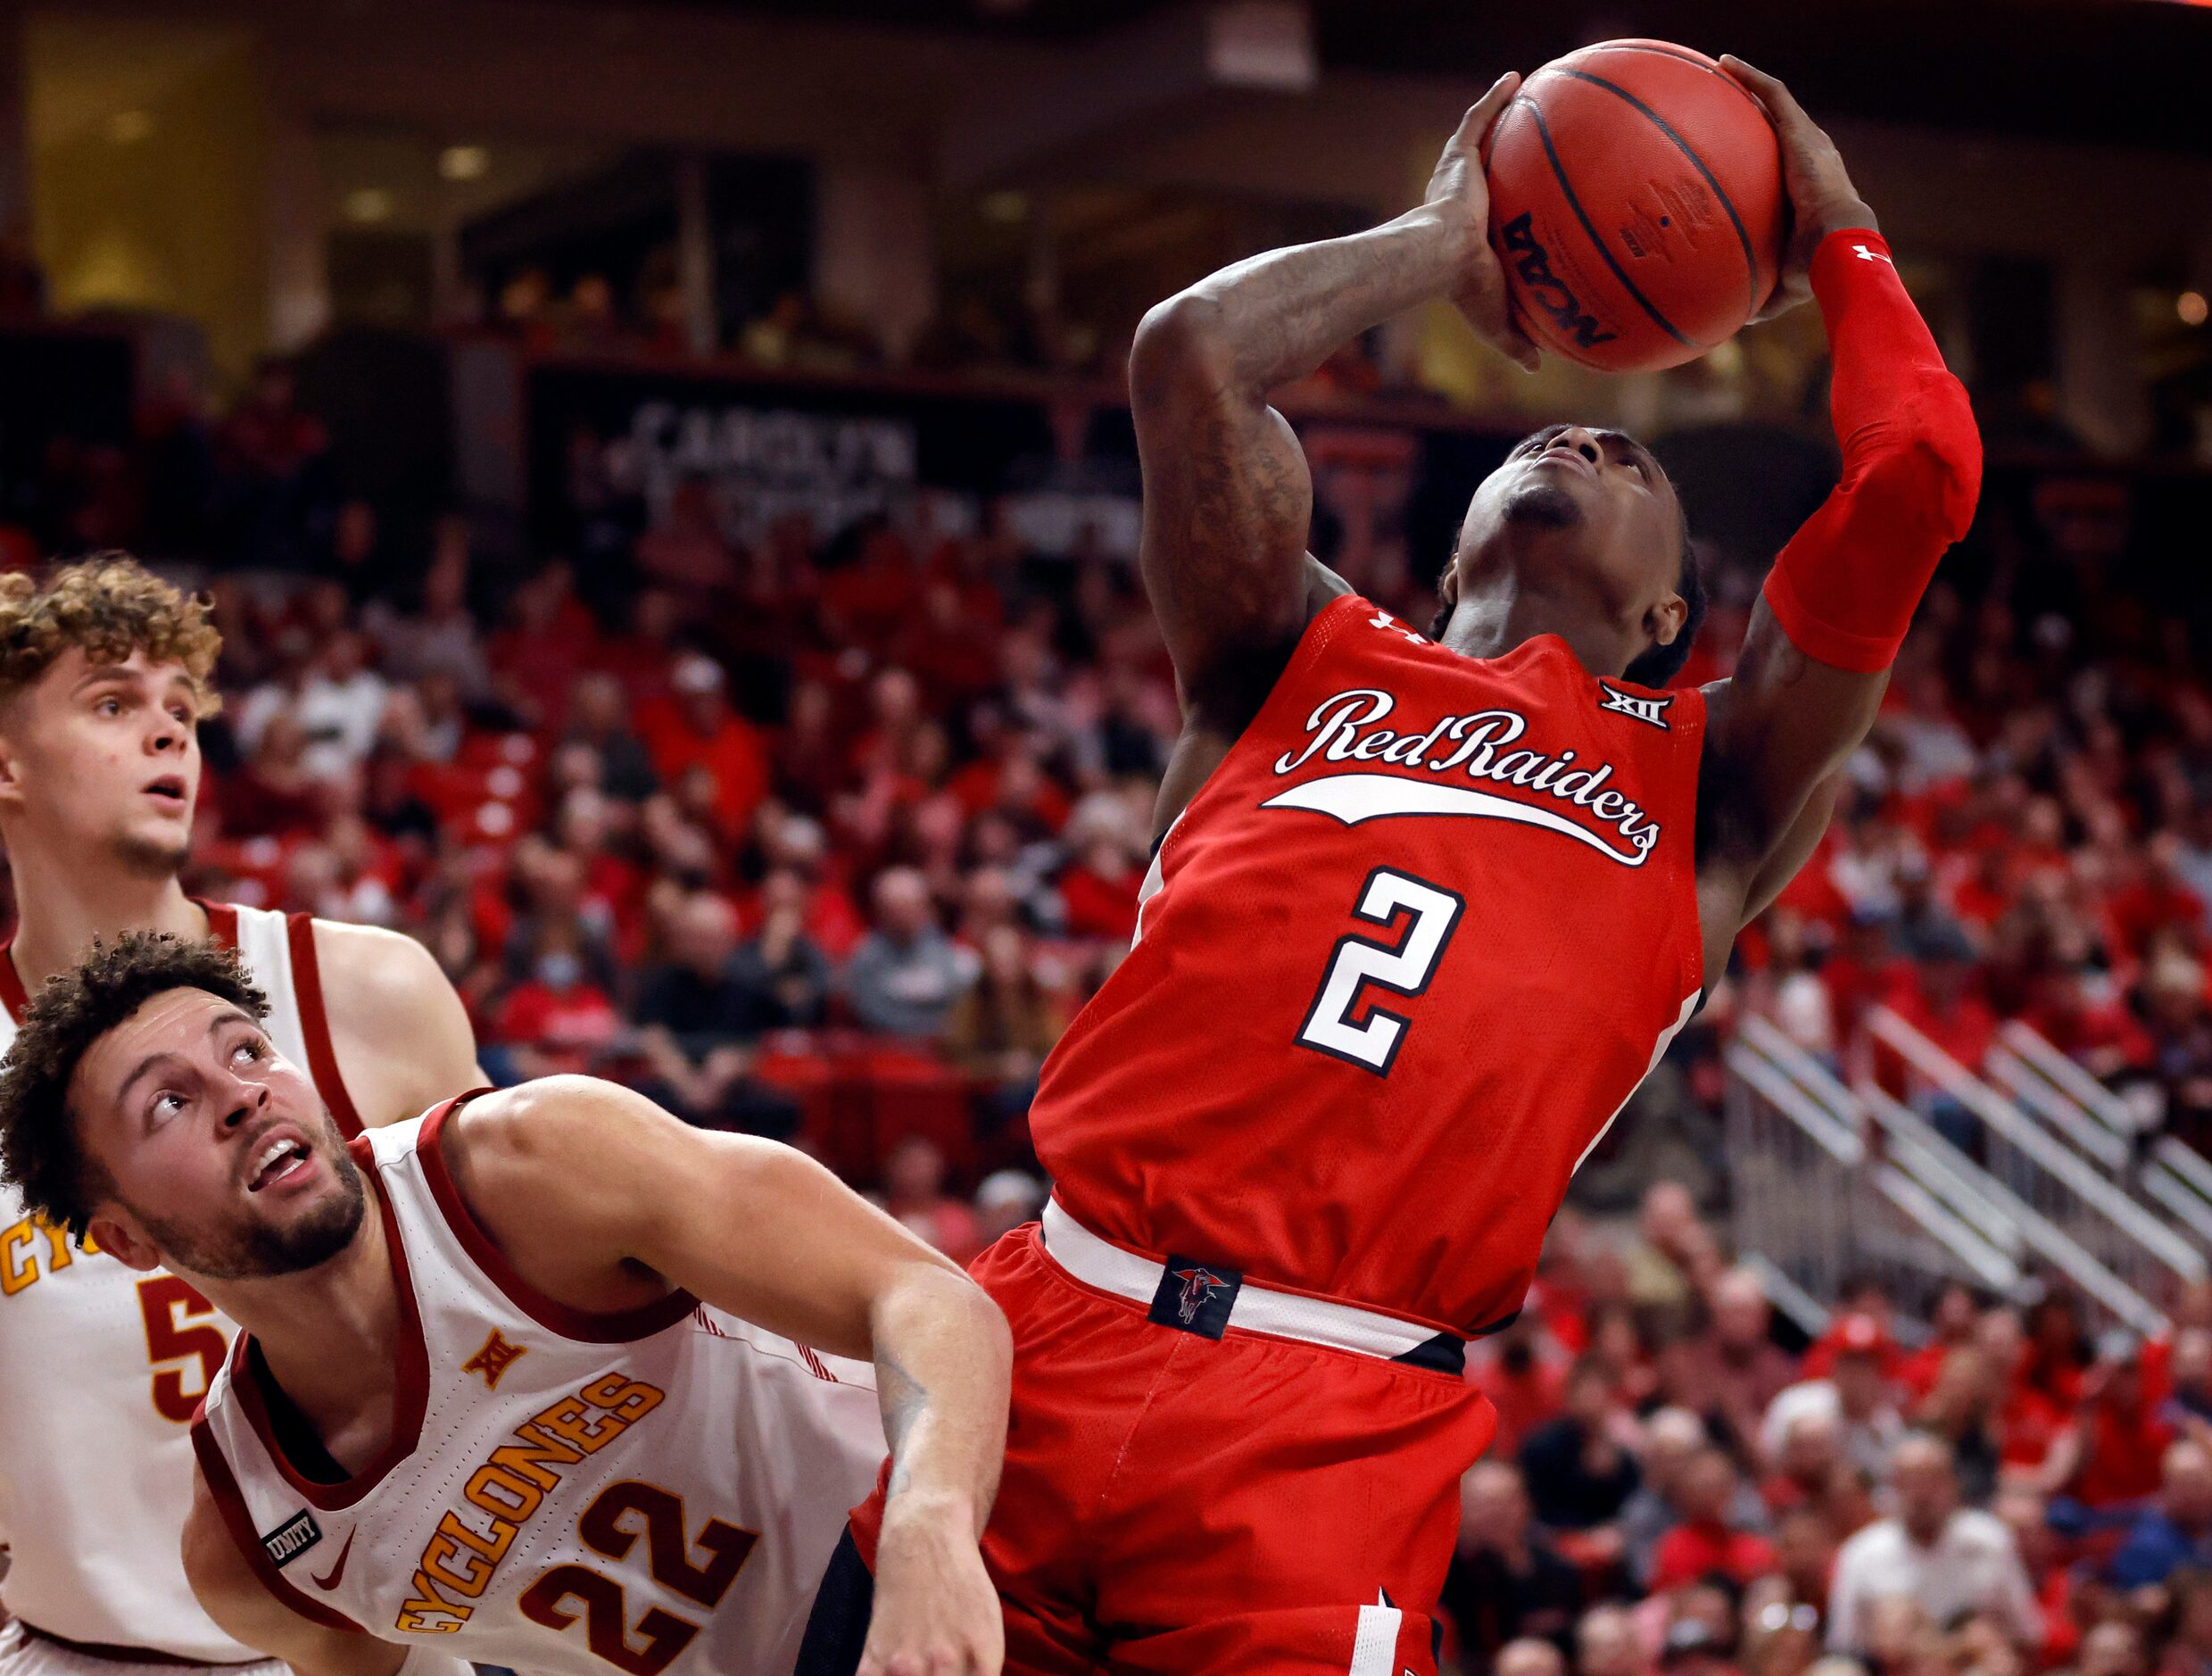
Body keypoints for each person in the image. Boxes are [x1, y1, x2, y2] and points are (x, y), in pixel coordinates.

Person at [834, 56, 1981, 1673]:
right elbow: (1192, 357)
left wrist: (1842, 235)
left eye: (1635, 461)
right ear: (1447, 549)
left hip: (1334, 1419)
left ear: (1669, 622)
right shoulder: (1284, 645)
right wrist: (1452, 237)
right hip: (1043, 1331)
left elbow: (1916, 475)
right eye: (1568, 432)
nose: (1590, 436)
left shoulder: (1710, 776)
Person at [0, 933, 1011, 1676]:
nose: (241, 1093)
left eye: (248, 1050)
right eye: (168, 1103)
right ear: (126, 1238)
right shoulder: (250, 1547)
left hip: (954, 1537)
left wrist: (933, 1525)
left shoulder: (529, 1166)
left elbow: (927, 1293)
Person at [0, 558, 484, 1676]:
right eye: (114, 704)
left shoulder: (365, 992)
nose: (169, 735)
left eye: (182, 711)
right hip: (87, 1653)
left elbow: (513, 1314)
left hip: (386, 1646)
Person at [1826, 1434, 2040, 1655]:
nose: (1922, 1494)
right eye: (1910, 1481)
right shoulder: (1861, 1554)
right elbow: (1843, 1648)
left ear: (1955, 1484)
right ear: (1892, 1488)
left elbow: (2027, 1635)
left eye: (1933, 1480)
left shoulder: (1990, 1541)